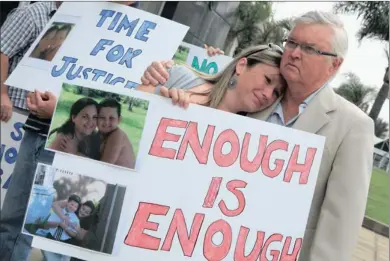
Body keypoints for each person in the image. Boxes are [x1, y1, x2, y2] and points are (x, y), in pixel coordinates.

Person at [139, 11, 375, 261]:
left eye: (309, 49)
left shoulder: (353, 126)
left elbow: (340, 226)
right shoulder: (252, 101)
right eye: (292, 42)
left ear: (335, 64)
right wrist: (162, 81)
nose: (294, 53)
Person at [0, 2, 61, 261]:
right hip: (13, 115)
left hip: (41, 122)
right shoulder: (32, 13)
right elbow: (2, 51)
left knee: (21, 210)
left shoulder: (90, 22)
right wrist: (2, 94)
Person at [137, 44, 286, 114]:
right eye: (267, 80)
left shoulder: (245, 138)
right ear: (241, 66)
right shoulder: (175, 74)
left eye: (276, 93)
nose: (268, 94)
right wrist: (161, 106)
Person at [97, 98, 136, 168]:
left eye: (111, 118)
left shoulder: (117, 135)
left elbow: (103, 167)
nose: (106, 122)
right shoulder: (99, 134)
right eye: (102, 117)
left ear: (119, 120)